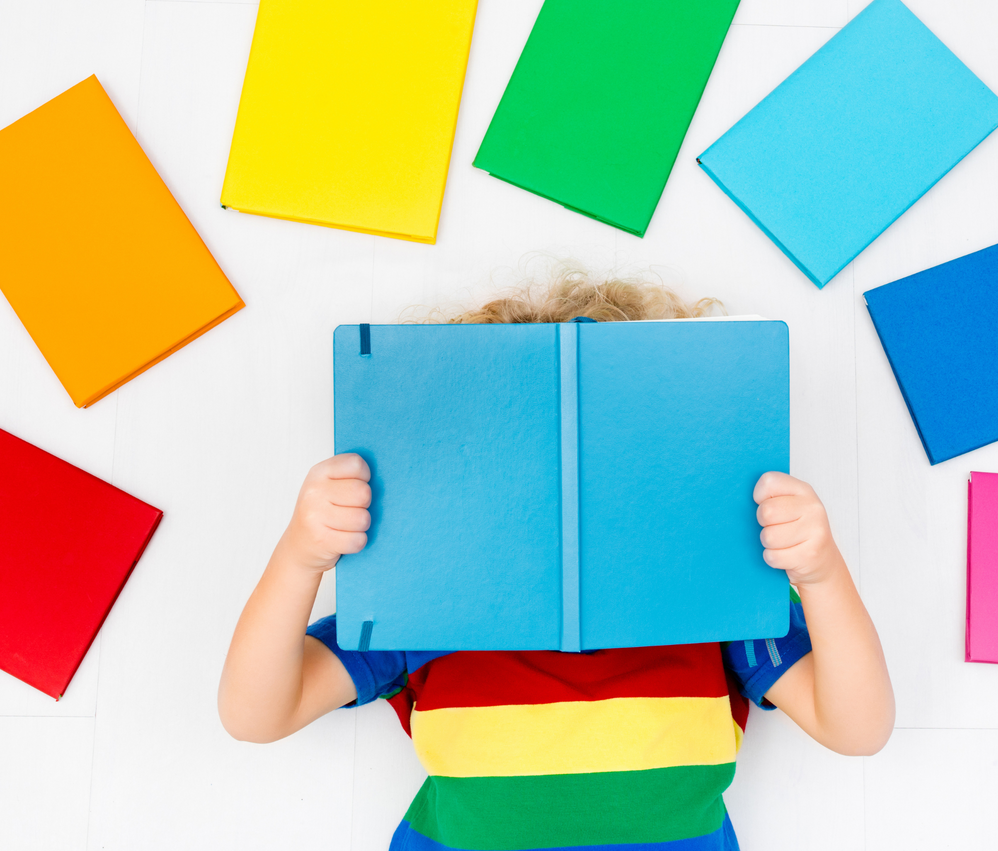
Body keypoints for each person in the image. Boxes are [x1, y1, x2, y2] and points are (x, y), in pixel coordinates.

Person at [219, 268, 894, 851]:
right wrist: (300, 558)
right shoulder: (426, 603)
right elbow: (255, 715)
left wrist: (822, 573)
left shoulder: (716, 602)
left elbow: (857, 729)